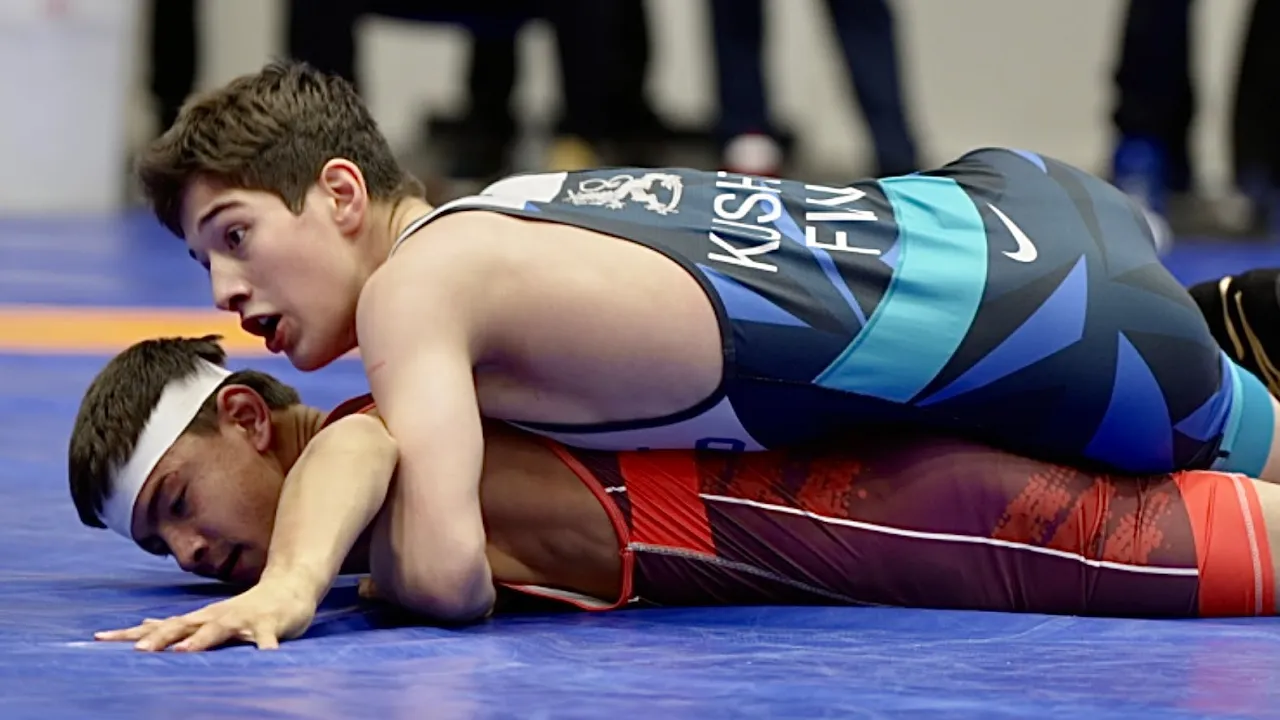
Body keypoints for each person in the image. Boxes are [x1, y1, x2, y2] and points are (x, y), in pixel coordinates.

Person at [136, 60, 1280, 624]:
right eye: (204, 262)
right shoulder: (512, 201)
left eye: (233, 236)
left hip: (1059, 340)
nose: (230, 293)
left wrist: (317, 584)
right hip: (1011, 204)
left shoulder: (413, 298)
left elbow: (446, 577)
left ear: (342, 194)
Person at [71, 336, 1280, 653]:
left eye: (178, 500)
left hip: (949, 518)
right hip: (916, 494)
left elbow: (359, 451)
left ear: (245, 416)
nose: (184, 551)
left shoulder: (378, 428)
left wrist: (284, 587)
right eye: (158, 539)